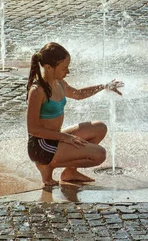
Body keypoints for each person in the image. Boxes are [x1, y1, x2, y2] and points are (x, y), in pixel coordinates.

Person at [26, 42, 124, 186]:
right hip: (41, 146)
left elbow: (78, 94)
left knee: (99, 128)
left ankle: (70, 172)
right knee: (99, 154)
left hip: (55, 139)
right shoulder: (37, 91)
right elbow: (33, 129)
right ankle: (47, 166)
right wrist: (66, 138)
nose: (68, 71)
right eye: (64, 68)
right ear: (48, 67)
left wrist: (104, 86)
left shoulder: (59, 83)